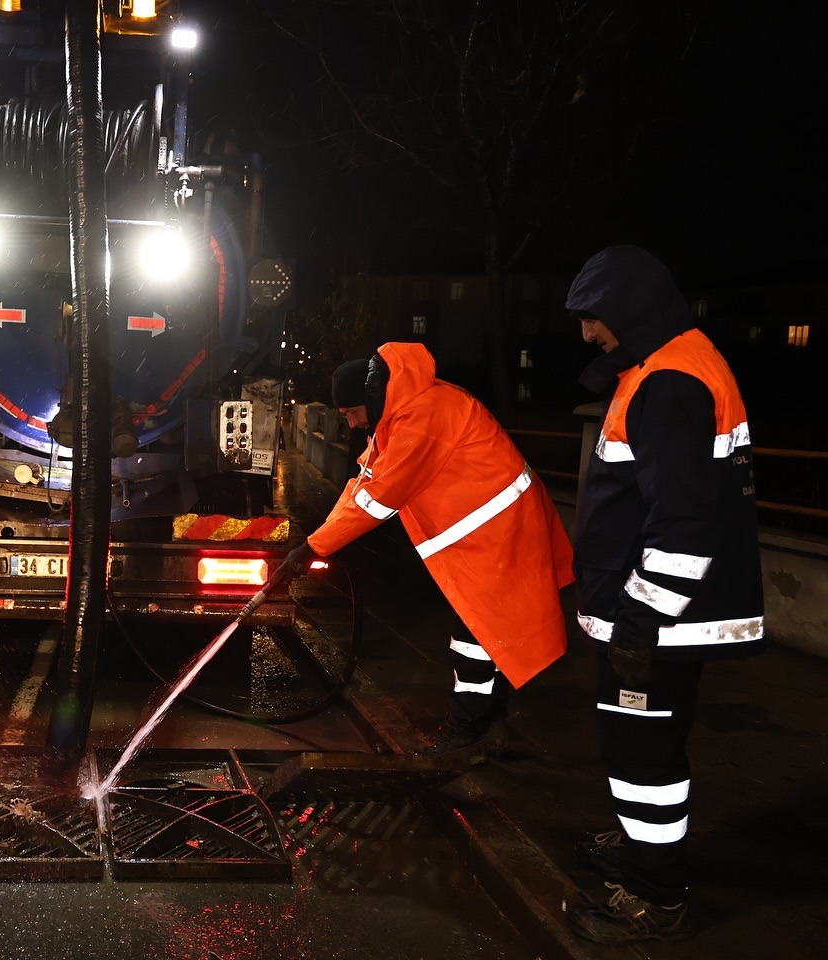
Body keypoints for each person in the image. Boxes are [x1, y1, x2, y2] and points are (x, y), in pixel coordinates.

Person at [562, 245, 764, 944]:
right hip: (662, 616)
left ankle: (655, 895)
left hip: (658, 623)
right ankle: (643, 852)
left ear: (629, 309)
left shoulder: (668, 382)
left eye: (593, 318)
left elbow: (681, 523)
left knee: (643, 760)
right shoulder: (670, 365)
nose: (588, 333)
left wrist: (641, 625)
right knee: (643, 753)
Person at [286, 343, 575, 757]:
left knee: (475, 633)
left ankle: (468, 728)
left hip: (501, 533)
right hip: (488, 535)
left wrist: (316, 546)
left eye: (350, 414)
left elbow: (381, 499)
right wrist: (313, 542)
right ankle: (486, 718)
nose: (349, 425)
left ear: (368, 397)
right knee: (482, 631)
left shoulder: (424, 416)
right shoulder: (400, 414)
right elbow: (362, 486)